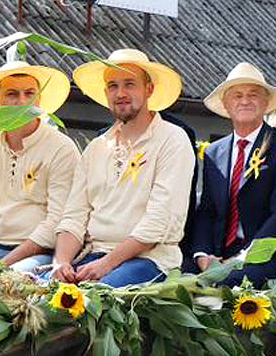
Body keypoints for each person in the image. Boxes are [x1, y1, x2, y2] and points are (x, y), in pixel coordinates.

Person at [51, 48, 194, 287]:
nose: (120, 93)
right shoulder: (96, 147)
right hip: (91, 257)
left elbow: (157, 222)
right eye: (113, 86)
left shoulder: (173, 139)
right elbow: (74, 216)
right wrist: (61, 263)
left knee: (88, 301)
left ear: (149, 89)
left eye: (129, 84)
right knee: (32, 296)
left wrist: (106, 264)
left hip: (148, 260)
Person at [190, 62, 276, 286]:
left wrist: (243, 258)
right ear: (226, 105)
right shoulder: (214, 152)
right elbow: (207, 210)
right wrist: (202, 255)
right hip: (222, 252)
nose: (245, 101)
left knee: (227, 282)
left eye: (253, 95)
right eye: (237, 95)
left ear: (266, 103)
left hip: (272, 253)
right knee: (178, 277)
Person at [0, 59, 79, 273]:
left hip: (39, 253)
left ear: (39, 99)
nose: (22, 102)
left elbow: (58, 221)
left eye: (29, 94)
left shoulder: (61, 148)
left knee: (11, 282)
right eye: (12, 94)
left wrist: (1, 266)